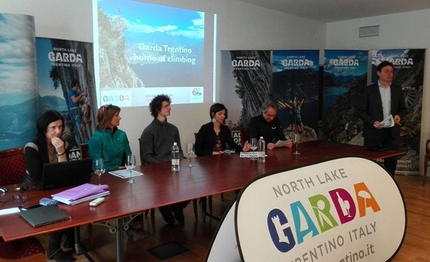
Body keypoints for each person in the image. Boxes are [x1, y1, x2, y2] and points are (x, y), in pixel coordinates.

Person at [88, 104, 149, 239]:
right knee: (122, 192)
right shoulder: (96, 138)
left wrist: (126, 168)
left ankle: (135, 226)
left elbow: (128, 156)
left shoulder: (122, 135)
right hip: (104, 177)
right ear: (107, 118)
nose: (120, 118)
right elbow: (96, 165)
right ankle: (127, 226)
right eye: (116, 115)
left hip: (122, 174)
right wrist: (115, 169)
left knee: (137, 188)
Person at [24, 110, 75, 262]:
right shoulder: (32, 147)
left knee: (75, 199)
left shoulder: (64, 143)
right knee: (59, 205)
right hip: (35, 189)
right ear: (44, 129)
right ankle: (53, 249)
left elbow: (67, 172)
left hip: (57, 186)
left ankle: (71, 239)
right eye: (53, 127)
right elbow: (37, 178)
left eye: (60, 126)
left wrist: (61, 153)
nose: (58, 131)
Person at [140, 94, 189, 225]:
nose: (169, 108)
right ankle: (166, 207)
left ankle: (175, 206)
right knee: (162, 186)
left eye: (169, 105)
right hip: (158, 172)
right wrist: (162, 165)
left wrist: (183, 162)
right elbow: (146, 156)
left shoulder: (173, 129)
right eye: (166, 106)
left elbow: (178, 150)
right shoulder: (148, 131)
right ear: (158, 109)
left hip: (175, 168)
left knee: (192, 184)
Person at [358, 61, 406, 177]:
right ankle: (371, 185)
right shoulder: (368, 90)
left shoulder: (397, 89)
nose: (389, 74)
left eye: (391, 71)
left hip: (392, 131)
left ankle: (389, 183)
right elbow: (361, 111)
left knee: (391, 160)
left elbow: (403, 109)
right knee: (370, 161)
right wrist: (372, 122)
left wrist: (399, 116)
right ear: (378, 73)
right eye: (386, 71)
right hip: (373, 131)